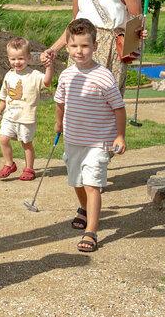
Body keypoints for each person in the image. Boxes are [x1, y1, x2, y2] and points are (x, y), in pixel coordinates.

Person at [54, 17, 126, 253]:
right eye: (74, 46)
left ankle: (91, 232)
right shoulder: (66, 75)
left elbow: (118, 107)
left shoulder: (104, 76)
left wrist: (120, 136)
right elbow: (60, 102)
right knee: (77, 182)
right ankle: (84, 210)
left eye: (85, 46)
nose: (79, 51)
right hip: (73, 139)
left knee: (92, 184)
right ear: (67, 47)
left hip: (98, 142)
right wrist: (58, 124)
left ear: (95, 47)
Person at [0, 37, 55, 181]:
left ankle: (29, 169)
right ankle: (9, 164)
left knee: (26, 144)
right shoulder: (9, 75)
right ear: (8, 59)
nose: (17, 62)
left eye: (20, 58)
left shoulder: (34, 75)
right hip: (10, 116)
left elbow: (47, 82)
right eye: (13, 59)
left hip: (26, 118)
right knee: (3, 138)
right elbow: (4, 97)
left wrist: (49, 67)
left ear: (28, 57)